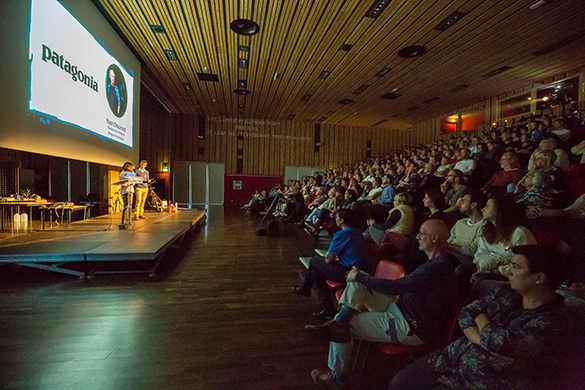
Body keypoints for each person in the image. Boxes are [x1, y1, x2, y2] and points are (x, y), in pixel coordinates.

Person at [388, 245, 579, 390]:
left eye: (515, 266)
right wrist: (481, 335)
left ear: (539, 277)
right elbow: (466, 313)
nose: (508, 271)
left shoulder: (556, 322)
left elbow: (502, 343)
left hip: (485, 381)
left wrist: (480, 324)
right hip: (453, 357)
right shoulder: (507, 293)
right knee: (399, 382)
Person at [306, 220, 457, 389]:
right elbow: (410, 288)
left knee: (347, 322)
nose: (417, 237)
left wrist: (361, 277)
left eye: (422, 233)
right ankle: (340, 320)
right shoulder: (437, 262)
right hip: (401, 309)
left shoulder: (437, 267)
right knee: (359, 278)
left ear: (434, 238)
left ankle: (337, 378)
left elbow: (396, 286)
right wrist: (361, 277)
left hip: (409, 326)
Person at [293, 210, 367, 320]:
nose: (335, 219)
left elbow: (328, 259)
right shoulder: (357, 232)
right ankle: (327, 310)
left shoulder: (342, 233)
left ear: (342, 220)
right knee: (315, 272)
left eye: (337, 217)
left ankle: (306, 288)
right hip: (357, 269)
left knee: (313, 261)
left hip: (347, 272)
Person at [119, 162, 135, 228]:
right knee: (126, 205)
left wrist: (132, 181)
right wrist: (128, 183)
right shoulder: (122, 173)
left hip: (130, 190)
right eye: (129, 167)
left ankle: (129, 221)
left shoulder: (131, 173)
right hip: (125, 191)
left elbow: (133, 181)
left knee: (130, 206)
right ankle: (124, 221)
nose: (130, 168)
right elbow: (122, 182)